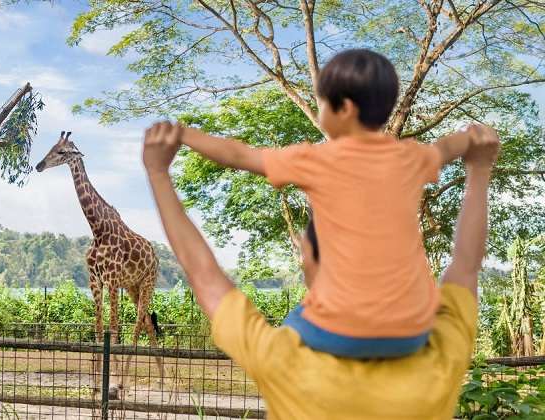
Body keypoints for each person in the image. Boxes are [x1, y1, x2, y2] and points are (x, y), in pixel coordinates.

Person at [142, 118, 499, 418]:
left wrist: (158, 173)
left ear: (309, 258)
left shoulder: (285, 360)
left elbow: (204, 275)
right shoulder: (438, 355)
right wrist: (480, 170)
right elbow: (465, 267)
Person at [166, 49, 495, 359]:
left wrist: (183, 134)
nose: (319, 110)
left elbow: (239, 155)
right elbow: (450, 146)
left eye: (321, 103)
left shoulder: (317, 159)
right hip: (412, 331)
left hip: (340, 332)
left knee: (291, 325)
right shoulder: (412, 157)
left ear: (346, 109)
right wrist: (473, 135)